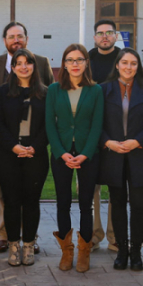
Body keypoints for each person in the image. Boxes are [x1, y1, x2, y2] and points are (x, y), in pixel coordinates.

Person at [0, 21, 53, 254]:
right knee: (9, 199)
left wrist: (35, 146)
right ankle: (8, 238)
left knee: (31, 200)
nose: (16, 40)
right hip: (7, 147)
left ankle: (29, 241)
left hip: (36, 150)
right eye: (11, 36)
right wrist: (12, 146)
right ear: (4, 40)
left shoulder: (44, 77)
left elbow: (50, 115)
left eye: (20, 36)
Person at [99, 48, 143, 271]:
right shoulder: (104, 89)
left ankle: (136, 252)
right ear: (117, 65)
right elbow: (97, 124)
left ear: (138, 66)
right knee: (117, 205)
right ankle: (121, 251)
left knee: (138, 206)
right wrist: (109, 143)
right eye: (124, 63)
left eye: (133, 63)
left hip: (140, 155)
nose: (128, 67)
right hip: (113, 156)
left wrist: (137, 141)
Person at [45, 44, 104, 273]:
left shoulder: (95, 90)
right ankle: (67, 251)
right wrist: (61, 153)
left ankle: (84, 252)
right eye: (70, 60)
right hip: (61, 154)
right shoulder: (54, 90)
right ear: (64, 64)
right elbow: (51, 124)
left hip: (88, 154)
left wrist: (85, 153)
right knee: (63, 202)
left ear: (86, 63)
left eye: (79, 59)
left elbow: (97, 125)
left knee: (86, 205)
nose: (75, 64)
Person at [88, 19, 120, 252]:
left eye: (109, 32)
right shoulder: (86, 59)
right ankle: (93, 234)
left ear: (116, 36)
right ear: (95, 37)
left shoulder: (124, 59)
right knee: (92, 188)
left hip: (117, 130)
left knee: (116, 186)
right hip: (90, 130)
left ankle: (114, 235)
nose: (105, 37)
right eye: (100, 33)